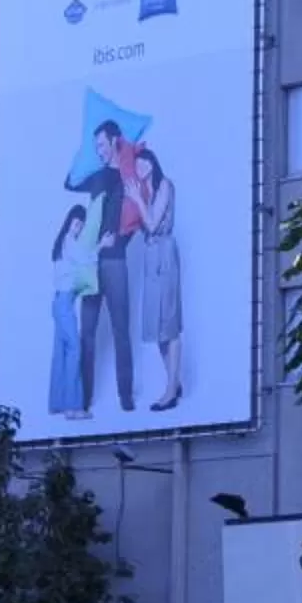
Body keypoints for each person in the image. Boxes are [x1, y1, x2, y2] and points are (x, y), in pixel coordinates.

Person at [64, 120, 141, 413]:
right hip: (90, 263)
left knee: (121, 330)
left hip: (115, 261)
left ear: (114, 142)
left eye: (101, 144)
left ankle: (126, 397)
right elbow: (69, 182)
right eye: (94, 145)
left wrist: (118, 240)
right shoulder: (96, 177)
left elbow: (135, 216)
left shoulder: (127, 176)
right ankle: (83, 398)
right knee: (87, 331)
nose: (97, 150)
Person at [131, 149, 183, 412]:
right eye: (136, 164)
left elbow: (152, 225)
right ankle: (173, 380)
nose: (139, 167)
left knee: (169, 322)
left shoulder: (164, 185)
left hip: (163, 254)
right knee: (157, 326)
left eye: (143, 162)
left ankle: (171, 389)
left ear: (152, 163)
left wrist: (137, 200)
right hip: (151, 256)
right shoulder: (148, 191)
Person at [47, 204, 94, 419]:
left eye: (80, 226)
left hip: (58, 302)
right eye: (76, 224)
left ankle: (57, 403)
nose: (78, 229)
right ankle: (73, 407)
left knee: (61, 352)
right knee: (74, 349)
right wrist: (101, 246)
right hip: (64, 303)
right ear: (69, 221)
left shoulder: (60, 243)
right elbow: (85, 260)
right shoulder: (69, 241)